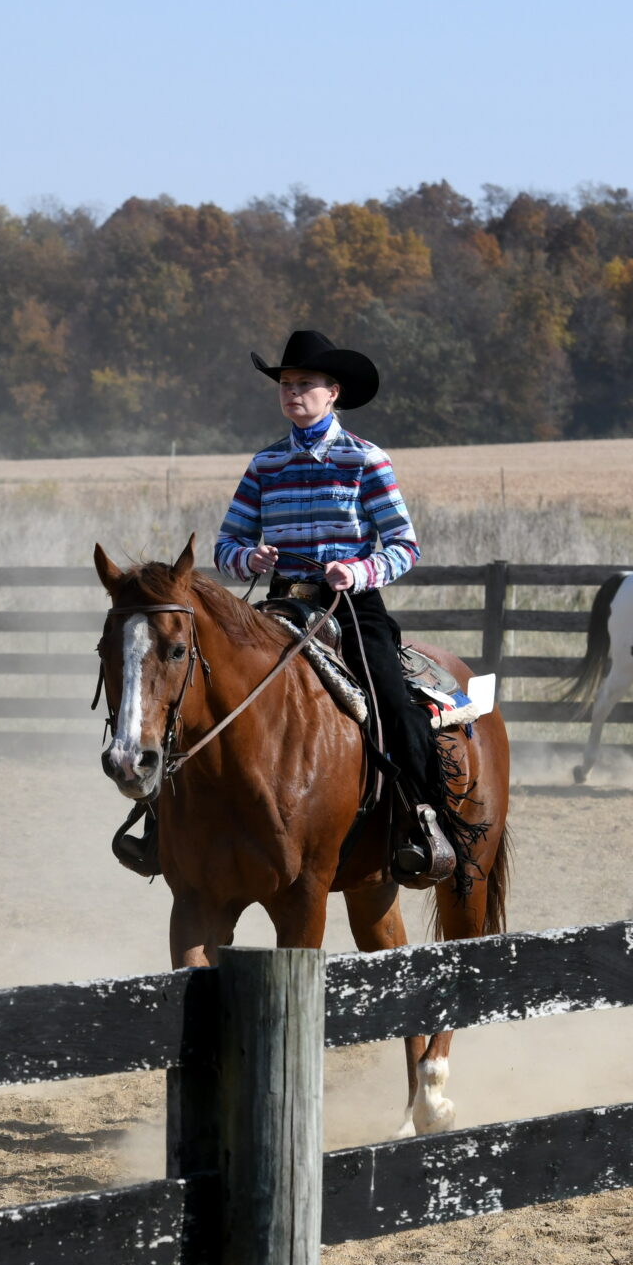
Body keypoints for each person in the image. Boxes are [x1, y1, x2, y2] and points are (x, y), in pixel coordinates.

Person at [213, 329, 471, 882]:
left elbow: (405, 546)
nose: (292, 392)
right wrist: (248, 560)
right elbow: (224, 546)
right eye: (286, 384)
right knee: (210, 687)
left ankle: (424, 818)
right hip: (278, 604)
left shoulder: (365, 460)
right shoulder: (264, 465)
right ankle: (179, 822)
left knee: (392, 700)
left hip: (350, 607)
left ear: (334, 393)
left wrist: (356, 571)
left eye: (305, 383)